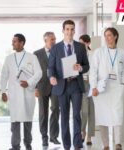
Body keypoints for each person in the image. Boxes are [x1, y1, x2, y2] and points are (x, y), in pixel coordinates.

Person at [48, 20, 89, 150]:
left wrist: (81, 68)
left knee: (77, 115)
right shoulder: (55, 48)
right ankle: (66, 145)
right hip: (62, 86)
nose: (69, 32)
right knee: (64, 116)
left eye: (72, 29)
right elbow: (51, 67)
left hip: (76, 85)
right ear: (63, 30)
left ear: (74, 31)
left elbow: (86, 66)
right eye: (67, 29)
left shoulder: (80, 47)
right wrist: (51, 77)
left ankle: (77, 144)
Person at [1, 33, 42, 150]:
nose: (12, 43)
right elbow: (4, 75)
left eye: (14, 41)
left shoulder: (31, 57)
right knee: (15, 121)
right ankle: (15, 145)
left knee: (27, 120)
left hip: (27, 93)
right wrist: (3, 91)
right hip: (14, 94)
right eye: (12, 41)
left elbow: (39, 73)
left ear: (22, 43)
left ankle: (28, 144)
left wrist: (29, 82)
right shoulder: (8, 58)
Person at [89, 27, 124, 150]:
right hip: (102, 88)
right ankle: (105, 144)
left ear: (115, 36)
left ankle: (118, 143)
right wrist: (94, 86)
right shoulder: (98, 52)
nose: (107, 38)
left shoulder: (122, 52)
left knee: (117, 115)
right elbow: (93, 70)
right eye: (105, 36)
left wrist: (123, 84)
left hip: (116, 88)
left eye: (109, 35)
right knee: (102, 115)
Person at [34, 32, 60, 147]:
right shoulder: (37, 54)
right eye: (51, 40)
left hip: (56, 86)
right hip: (42, 86)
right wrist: (35, 87)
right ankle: (44, 137)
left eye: (55, 39)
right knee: (43, 113)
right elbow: (33, 72)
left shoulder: (59, 52)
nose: (54, 41)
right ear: (45, 41)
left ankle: (54, 137)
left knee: (55, 109)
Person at [79, 34, 95, 145]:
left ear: (88, 43)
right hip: (82, 83)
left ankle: (89, 136)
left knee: (92, 111)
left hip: (93, 83)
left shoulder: (94, 54)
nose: (80, 45)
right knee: (83, 111)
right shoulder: (77, 55)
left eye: (82, 43)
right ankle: (82, 131)